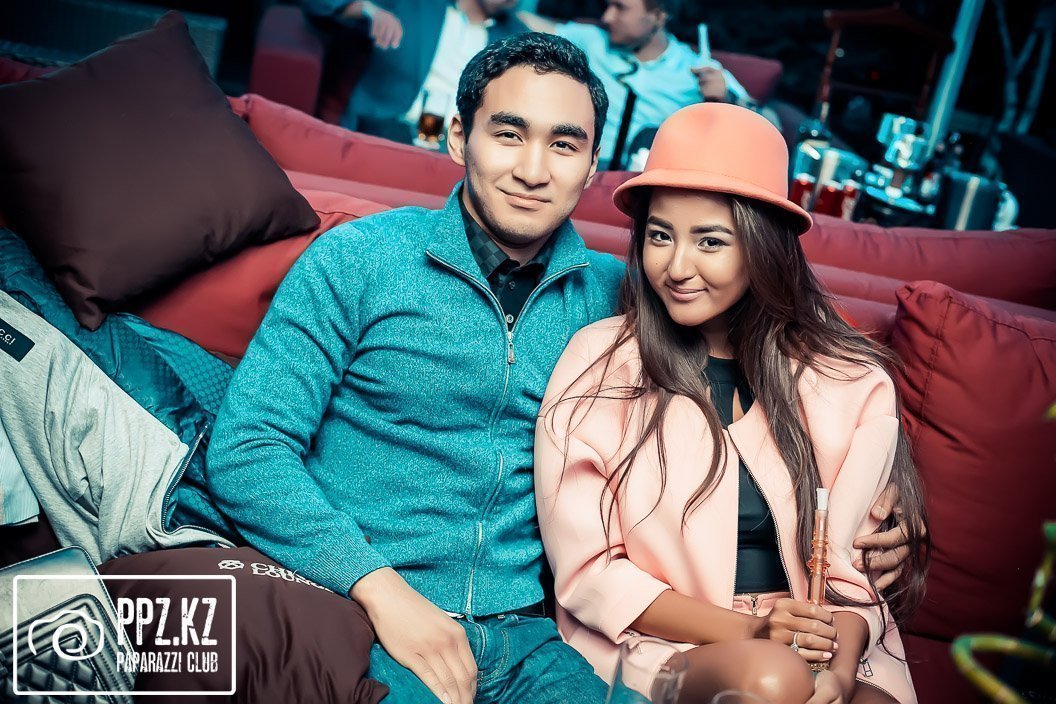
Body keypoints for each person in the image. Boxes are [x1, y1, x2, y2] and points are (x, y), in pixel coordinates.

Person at [207, 33, 913, 704]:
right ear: (458, 137)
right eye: (508, 134)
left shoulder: (631, 301)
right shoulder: (360, 259)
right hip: (361, 603)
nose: (533, 169)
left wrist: (886, 508)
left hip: (525, 636)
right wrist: (377, 587)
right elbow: (248, 449)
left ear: (594, 165)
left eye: (564, 144)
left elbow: (787, 353)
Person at [535, 103, 928, 704]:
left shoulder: (849, 380)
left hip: (823, 638)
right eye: (660, 236)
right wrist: (754, 633)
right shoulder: (602, 363)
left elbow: (856, 575)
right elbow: (589, 571)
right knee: (772, 679)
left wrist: (840, 671)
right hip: (666, 641)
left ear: (763, 247)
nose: (676, 267)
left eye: (711, 241)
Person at [520, 0, 752, 168]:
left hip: (643, 173)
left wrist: (726, 99)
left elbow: (760, 120)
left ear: (658, 16)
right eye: (608, 6)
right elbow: (530, 25)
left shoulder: (695, 68)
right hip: (583, 164)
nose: (607, 17)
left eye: (620, 7)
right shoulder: (593, 40)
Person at [303, 0, 528, 142]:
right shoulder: (411, 5)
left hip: (459, 149)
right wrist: (368, 9)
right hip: (386, 130)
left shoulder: (516, 39)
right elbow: (318, 5)